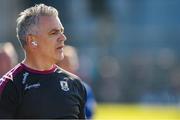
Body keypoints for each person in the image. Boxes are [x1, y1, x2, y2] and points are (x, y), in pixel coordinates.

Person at [0, 4, 86, 119]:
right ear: (32, 41)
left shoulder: (75, 84)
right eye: (54, 33)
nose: (63, 37)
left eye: (62, 31)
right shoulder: (10, 86)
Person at [57, 45, 96, 119]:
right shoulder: (52, 85)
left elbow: (89, 114)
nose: (69, 65)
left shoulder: (83, 87)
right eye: (65, 63)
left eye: (72, 62)